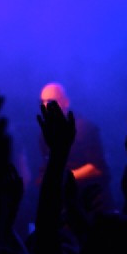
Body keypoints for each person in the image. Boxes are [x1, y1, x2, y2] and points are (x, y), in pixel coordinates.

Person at [37, 82, 112, 211]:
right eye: (43, 101)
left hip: (89, 201)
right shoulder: (44, 132)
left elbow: (97, 167)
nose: (45, 105)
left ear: (65, 102)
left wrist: (62, 177)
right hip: (63, 202)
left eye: (50, 101)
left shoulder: (85, 128)